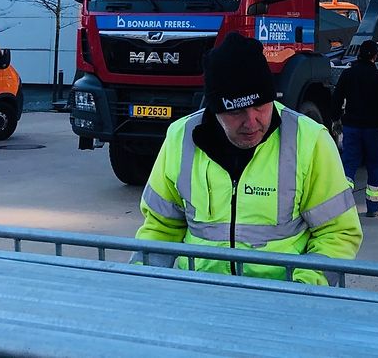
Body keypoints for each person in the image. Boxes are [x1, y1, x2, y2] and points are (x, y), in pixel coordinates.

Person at [136, 32, 362, 284]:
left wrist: (301, 292)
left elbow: (337, 232)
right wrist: (141, 288)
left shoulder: (310, 140)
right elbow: (160, 229)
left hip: (283, 299)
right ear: (215, 109)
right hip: (200, 297)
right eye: (237, 112)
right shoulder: (180, 138)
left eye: (260, 106)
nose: (252, 122)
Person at [333, 39, 378, 217]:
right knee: (374, 167)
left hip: (352, 128)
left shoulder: (348, 75)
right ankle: (373, 208)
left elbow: (337, 99)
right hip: (373, 130)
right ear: (375, 56)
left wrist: (335, 120)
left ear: (359, 54)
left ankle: (342, 208)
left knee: (348, 167)